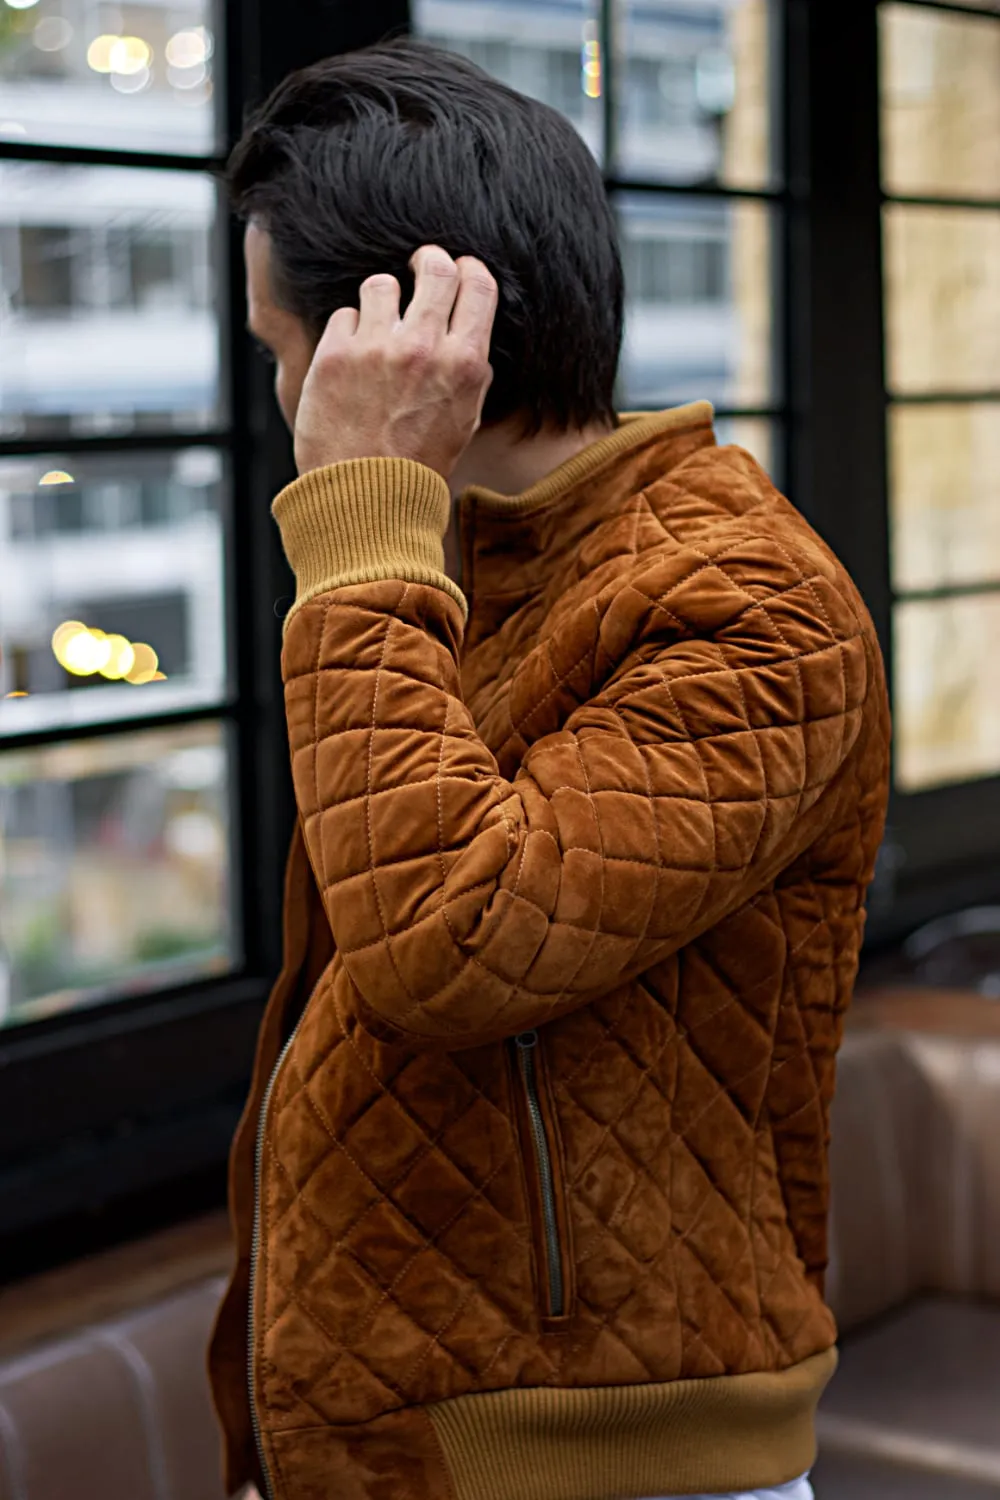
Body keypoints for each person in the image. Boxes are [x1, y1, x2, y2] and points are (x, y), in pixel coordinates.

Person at [208, 38, 890, 1500]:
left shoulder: (746, 601)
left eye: (280, 348)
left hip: (609, 1461)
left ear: (404, 334)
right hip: (398, 1436)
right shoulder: (463, 555)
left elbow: (452, 944)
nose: (282, 395)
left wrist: (365, 520)